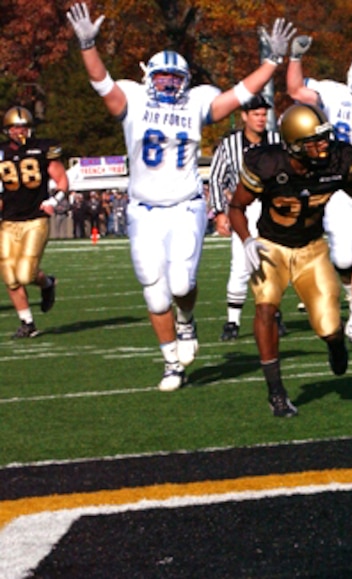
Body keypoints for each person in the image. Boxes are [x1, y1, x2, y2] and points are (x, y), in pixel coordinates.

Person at [67, 2, 296, 391]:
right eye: (163, 78)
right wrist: (88, 45)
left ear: (186, 81)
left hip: (186, 205)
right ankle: (171, 361)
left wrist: (273, 62)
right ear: (149, 78)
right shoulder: (133, 99)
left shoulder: (197, 102)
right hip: (142, 209)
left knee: (179, 285)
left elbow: (239, 94)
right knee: (155, 294)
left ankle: (186, 321)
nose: (170, 85)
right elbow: (101, 82)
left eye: (176, 79)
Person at [228, 103, 352, 417]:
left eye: (324, 138)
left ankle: (335, 344)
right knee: (265, 308)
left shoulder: (337, 159)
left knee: (329, 327)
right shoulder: (267, 164)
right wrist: (247, 239)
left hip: (312, 249)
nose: (323, 146)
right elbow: (236, 207)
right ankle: (276, 391)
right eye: (314, 141)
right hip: (271, 247)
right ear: (293, 144)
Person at [287, 40, 352, 328]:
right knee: (342, 258)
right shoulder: (333, 92)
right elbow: (295, 90)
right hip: (335, 184)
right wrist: (294, 57)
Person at [208, 95, 287, 341]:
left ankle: (273, 314)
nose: (261, 119)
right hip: (244, 209)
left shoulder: (277, 140)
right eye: (256, 114)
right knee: (241, 265)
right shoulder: (229, 144)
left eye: (264, 114)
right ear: (244, 116)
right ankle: (232, 322)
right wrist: (221, 212)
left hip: (273, 208)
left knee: (273, 265)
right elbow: (215, 178)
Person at [0, 106, 66, 338]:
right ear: (7, 129)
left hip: (35, 219)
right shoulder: (1, 153)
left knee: (26, 274)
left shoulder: (44, 148)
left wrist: (54, 201)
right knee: (10, 275)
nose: (20, 131)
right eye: (15, 127)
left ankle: (47, 283)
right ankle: (27, 323)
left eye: (24, 126)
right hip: (8, 221)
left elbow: (62, 181)